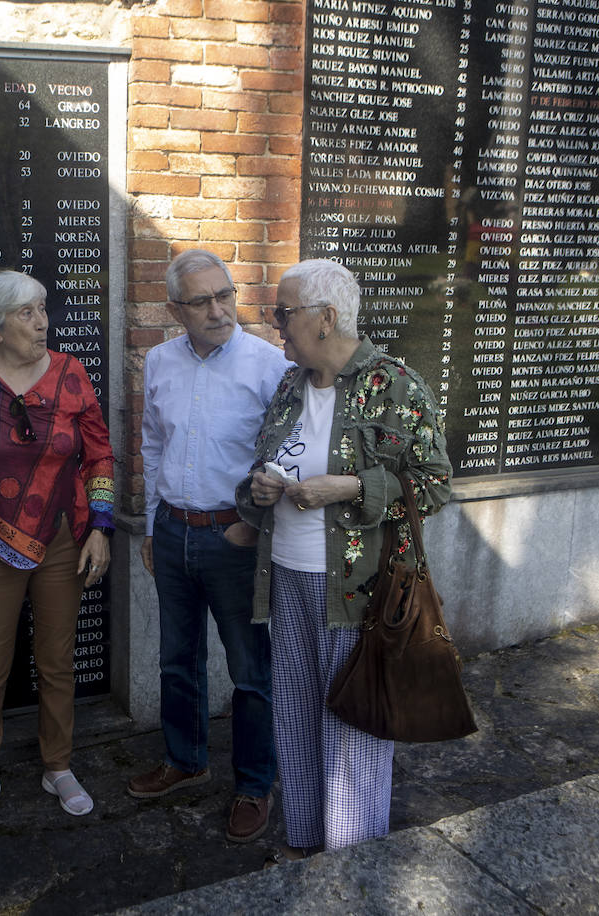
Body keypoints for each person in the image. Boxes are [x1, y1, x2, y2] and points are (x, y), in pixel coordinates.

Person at [235, 259, 451, 860]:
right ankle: (306, 847)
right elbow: (264, 465)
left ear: (326, 319)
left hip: (360, 594)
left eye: (286, 313)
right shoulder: (289, 386)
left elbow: (432, 484)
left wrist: (350, 487)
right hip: (288, 580)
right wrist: (258, 489)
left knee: (353, 727)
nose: (277, 326)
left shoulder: (395, 385)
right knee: (298, 720)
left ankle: (352, 863)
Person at [126, 249, 291, 844]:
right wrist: (149, 525)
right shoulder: (162, 361)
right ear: (175, 309)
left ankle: (253, 783)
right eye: (202, 301)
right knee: (177, 657)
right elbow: (151, 442)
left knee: (249, 671)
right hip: (172, 531)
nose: (219, 310)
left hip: (235, 536)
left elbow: (288, 455)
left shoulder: (269, 365)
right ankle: (185, 758)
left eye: (225, 294)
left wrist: (255, 530)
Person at [0, 270, 115, 827]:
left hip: (63, 538)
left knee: (57, 661)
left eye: (43, 309)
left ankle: (57, 765)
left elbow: (100, 456)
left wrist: (101, 527)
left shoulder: (71, 374)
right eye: (26, 313)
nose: (42, 323)